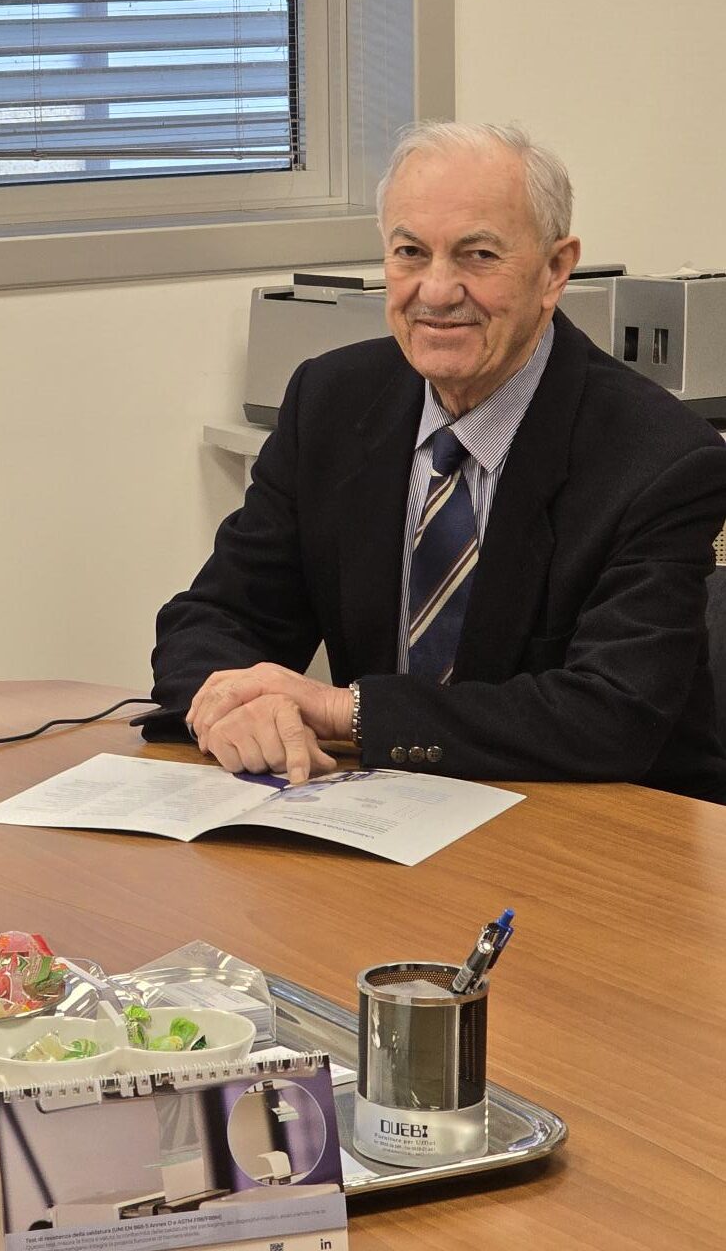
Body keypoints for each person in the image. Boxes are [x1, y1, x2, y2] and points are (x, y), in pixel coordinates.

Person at [149, 121, 726, 801]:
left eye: (478, 255)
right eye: (410, 252)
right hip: (382, 814)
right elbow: (213, 618)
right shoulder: (330, 401)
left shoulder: (661, 457)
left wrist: (342, 709)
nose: (437, 290)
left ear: (554, 271)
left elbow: (611, 715)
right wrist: (235, 705)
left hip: (598, 824)